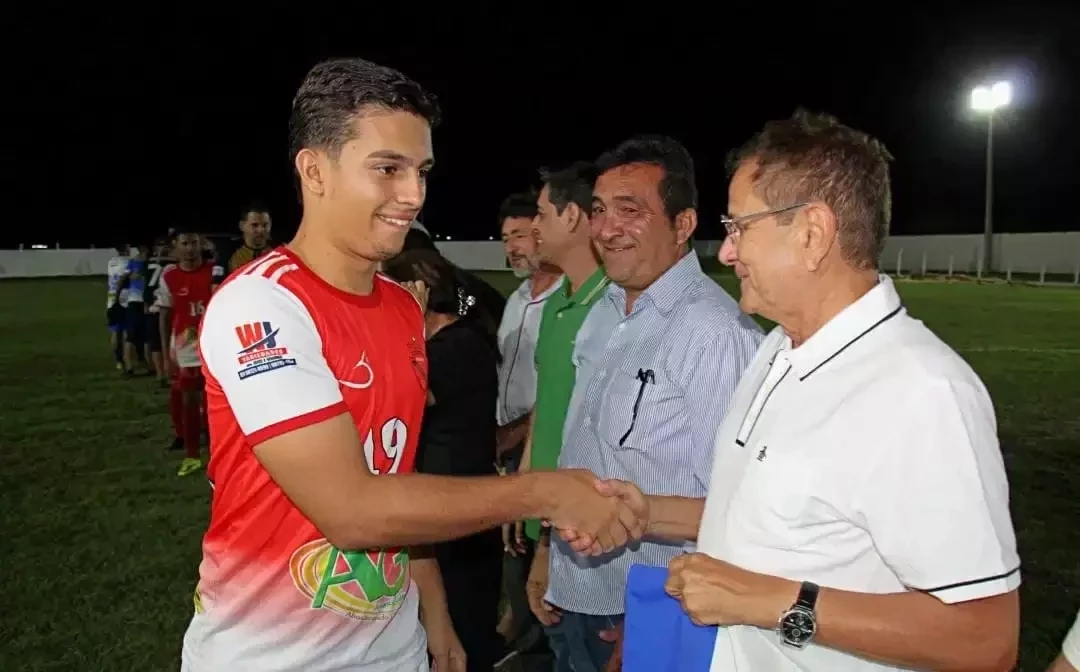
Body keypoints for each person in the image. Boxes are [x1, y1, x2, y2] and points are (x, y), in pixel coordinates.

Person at [181, 57, 640, 672]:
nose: (414, 194)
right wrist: (540, 493)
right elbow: (351, 510)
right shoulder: (260, 305)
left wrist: (434, 612)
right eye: (387, 169)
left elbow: (395, 475)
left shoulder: (403, 309)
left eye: (421, 170)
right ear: (314, 170)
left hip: (391, 649)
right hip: (270, 652)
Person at [573, 109, 1022, 672]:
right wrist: (649, 513)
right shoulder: (778, 349)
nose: (728, 252)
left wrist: (772, 602)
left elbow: (985, 639)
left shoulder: (919, 392)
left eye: (740, 227)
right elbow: (787, 522)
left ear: (812, 233)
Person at [535, 136, 763, 672]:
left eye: (630, 211)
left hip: (641, 612)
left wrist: (661, 618)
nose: (607, 228)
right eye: (599, 210)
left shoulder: (714, 333)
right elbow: (587, 447)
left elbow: (736, 509)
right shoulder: (610, 308)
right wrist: (549, 558)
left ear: (683, 226)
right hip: (582, 593)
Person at [383, 250, 504, 672]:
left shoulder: (455, 347)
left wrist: (406, 329)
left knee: (463, 642)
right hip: (449, 511)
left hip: (459, 519)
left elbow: (403, 398)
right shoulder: (448, 343)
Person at [493, 190, 562, 665]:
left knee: (536, 540)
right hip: (503, 436)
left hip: (533, 439)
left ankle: (537, 633)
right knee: (512, 542)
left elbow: (555, 387)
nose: (512, 246)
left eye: (519, 235)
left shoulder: (568, 300)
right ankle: (517, 621)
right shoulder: (515, 298)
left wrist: (518, 434)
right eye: (506, 238)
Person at [157, 227, 224, 475]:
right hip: (185, 346)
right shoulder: (170, 276)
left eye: (194, 243)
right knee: (189, 399)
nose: (190, 248)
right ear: (175, 247)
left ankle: (218, 454)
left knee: (215, 403)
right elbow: (164, 314)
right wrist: (166, 352)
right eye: (184, 243)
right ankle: (192, 454)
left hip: (214, 344)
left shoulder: (215, 271)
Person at [145, 236, 175, 388]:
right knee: (158, 342)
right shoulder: (171, 266)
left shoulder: (152, 264)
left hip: (155, 305)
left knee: (157, 342)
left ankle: (161, 373)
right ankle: (162, 373)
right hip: (159, 306)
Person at [122, 244, 152, 376]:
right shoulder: (141, 262)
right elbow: (128, 278)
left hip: (138, 301)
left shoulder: (135, 262)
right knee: (134, 335)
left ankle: (145, 364)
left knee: (143, 335)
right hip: (137, 301)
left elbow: (127, 277)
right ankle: (130, 365)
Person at [228, 202, 274, 273]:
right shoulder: (229, 253)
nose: (260, 230)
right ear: (242, 226)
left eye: (265, 225)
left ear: (270, 224)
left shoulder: (279, 251)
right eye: (255, 225)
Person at [105, 244, 131, 371]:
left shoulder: (111, 262)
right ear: (127, 248)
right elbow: (125, 279)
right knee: (127, 332)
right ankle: (128, 361)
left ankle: (119, 361)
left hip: (111, 299)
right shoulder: (129, 262)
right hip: (125, 300)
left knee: (115, 332)